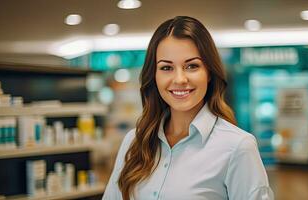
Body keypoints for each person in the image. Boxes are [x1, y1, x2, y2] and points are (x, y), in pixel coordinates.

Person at [102, 16, 273, 200]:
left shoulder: (238, 147)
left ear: (209, 72)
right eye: (166, 68)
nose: (180, 79)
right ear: (154, 76)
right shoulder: (134, 142)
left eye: (192, 66)